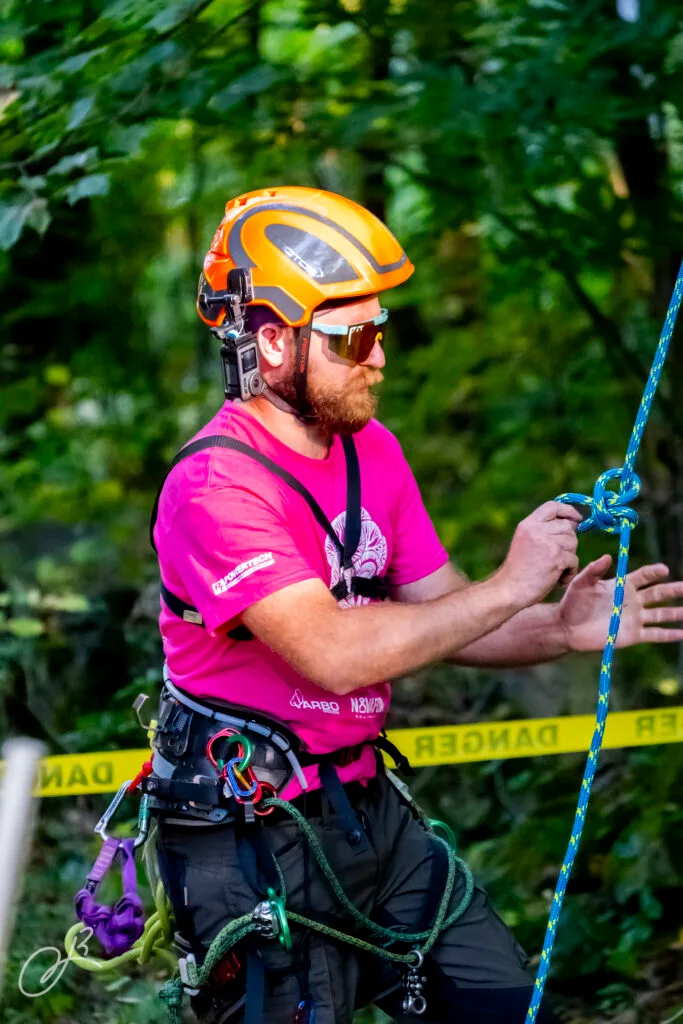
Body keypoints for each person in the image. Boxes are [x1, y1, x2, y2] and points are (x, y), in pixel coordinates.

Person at [149, 186, 683, 1024]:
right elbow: (333, 654)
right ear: (273, 342)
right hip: (247, 836)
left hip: (368, 814)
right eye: (352, 338)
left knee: (509, 1009)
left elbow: (444, 614)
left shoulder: (373, 450)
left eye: (381, 331)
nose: (378, 358)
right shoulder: (216, 487)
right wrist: (511, 586)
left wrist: (551, 625)